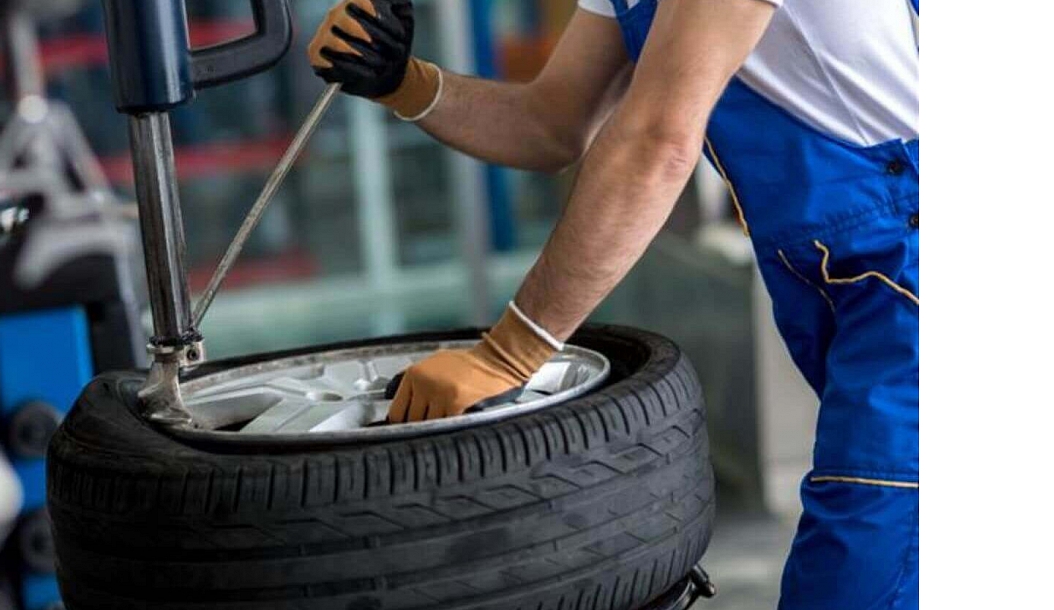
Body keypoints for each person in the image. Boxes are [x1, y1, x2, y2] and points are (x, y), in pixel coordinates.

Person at [307, 0, 919, 607]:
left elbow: (659, 139)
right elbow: (551, 124)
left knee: (859, 570)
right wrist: (404, 82)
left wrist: (508, 354)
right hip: (846, 279)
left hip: (910, 262)